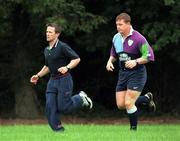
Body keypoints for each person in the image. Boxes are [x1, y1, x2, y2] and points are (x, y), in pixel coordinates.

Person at [30, 23, 93, 132]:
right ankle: (59, 131)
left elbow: (76, 59)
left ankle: (81, 98)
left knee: (63, 107)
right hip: (52, 81)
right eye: (47, 32)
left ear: (57, 34)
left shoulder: (62, 47)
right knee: (50, 107)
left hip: (64, 80)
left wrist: (67, 67)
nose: (47, 34)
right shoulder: (47, 50)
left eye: (50, 32)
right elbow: (47, 66)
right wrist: (38, 75)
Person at [106, 13, 156, 130]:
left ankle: (133, 131)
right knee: (121, 104)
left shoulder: (138, 38)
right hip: (123, 73)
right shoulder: (116, 37)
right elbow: (114, 53)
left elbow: (149, 56)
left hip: (137, 74)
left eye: (120, 24)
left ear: (128, 24)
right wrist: (109, 62)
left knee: (129, 102)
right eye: (117, 24)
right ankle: (146, 99)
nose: (118, 27)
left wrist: (136, 61)